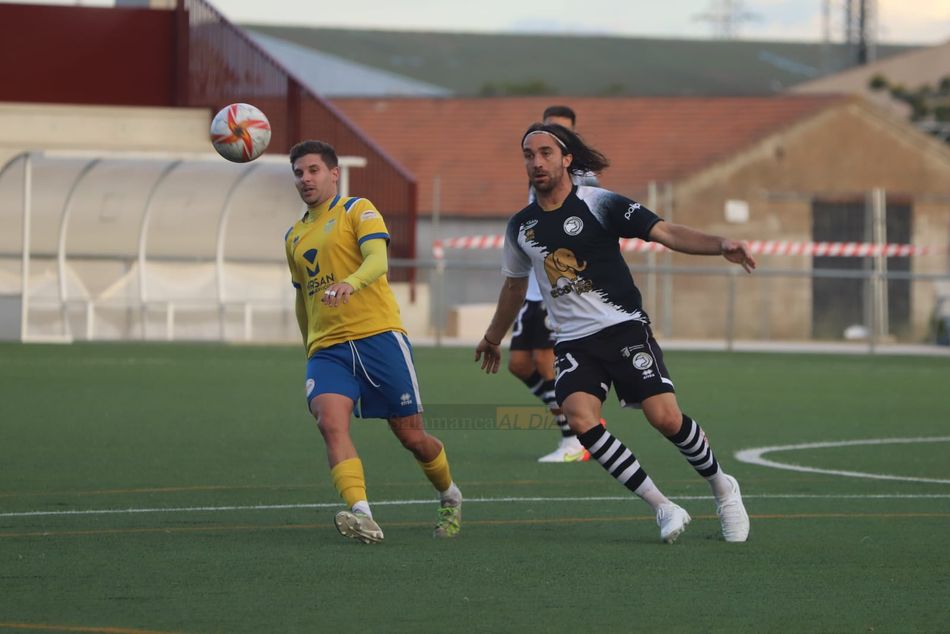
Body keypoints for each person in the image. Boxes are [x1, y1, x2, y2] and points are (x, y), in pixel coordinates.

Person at [475, 123, 752, 543]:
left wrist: (720, 244)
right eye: (529, 155)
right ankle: (663, 506)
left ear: (567, 159)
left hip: (623, 328)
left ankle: (722, 487)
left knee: (666, 419)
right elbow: (514, 286)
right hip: (571, 340)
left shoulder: (599, 203)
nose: (536, 162)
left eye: (546, 153)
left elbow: (665, 231)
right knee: (580, 416)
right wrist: (493, 336)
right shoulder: (521, 227)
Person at [284, 140, 462, 543]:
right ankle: (362, 514)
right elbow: (303, 296)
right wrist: (309, 344)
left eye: (313, 170)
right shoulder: (294, 236)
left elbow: (378, 261)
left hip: (378, 338)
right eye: (298, 172)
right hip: (328, 350)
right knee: (330, 423)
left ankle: (449, 495)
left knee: (412, 436)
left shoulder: (357, 210)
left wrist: (351, 282)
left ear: (333, 173)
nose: (305, 179)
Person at [515, 105, 602, 463]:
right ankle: (579, 426)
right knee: (520, 364)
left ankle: (577, 437)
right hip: (534, 289)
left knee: (548, 362)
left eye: (560, 132)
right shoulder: (537, 174)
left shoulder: (586, 180)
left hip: (562, 290)